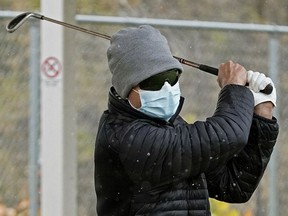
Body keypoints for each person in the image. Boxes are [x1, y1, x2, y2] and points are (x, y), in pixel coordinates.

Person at [94, 25, 279, 216]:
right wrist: (233, 89)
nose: (166, 88)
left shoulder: (174, 127)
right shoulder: (126, 136)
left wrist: (262, 111)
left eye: (171, 77)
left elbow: (235, 185)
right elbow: (229, 135)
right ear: (126, 89)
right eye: (153, 82)